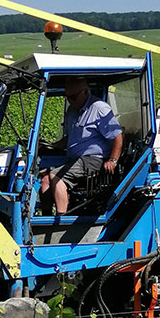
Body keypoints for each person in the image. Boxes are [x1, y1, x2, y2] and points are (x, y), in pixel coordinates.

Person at [40, 77, 123, 216]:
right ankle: (45, 219)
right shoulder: (72, 111)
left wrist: (113, 161)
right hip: (76, 161)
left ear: (85, 91)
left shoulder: (98, 108)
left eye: (73, 97)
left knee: (56, 177)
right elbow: (69, 139)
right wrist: (48, 147)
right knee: (45, 181)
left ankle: (60, 222)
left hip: (94, 160)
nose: (70, 101)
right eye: (67, 98)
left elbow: (117, 136)